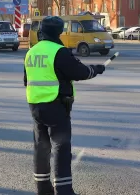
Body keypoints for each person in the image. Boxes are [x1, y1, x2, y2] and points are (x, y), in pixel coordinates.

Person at [24, 16, 106, 195]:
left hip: (35, 106)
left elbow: (27, 80)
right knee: (61, 148)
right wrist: (96, 70)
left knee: (41, 147)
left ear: (42, 32)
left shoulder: (31, 52)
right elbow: (79, 72)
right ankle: (63, 190)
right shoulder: (59, 51)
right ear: (59, 32)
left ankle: (43, 189)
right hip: (56, 106)